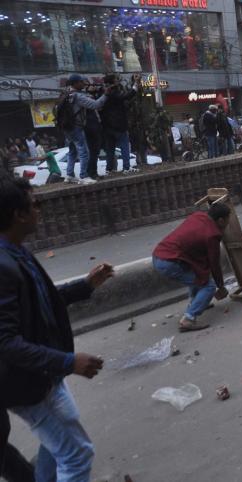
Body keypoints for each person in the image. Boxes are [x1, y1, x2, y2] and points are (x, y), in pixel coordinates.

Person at [0, 176, 114, 482]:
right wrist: (69, 362)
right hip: (25, 382)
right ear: (18, 214)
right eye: (36, 203)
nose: (40, 209)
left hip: (44, 374)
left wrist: (85, 286)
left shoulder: (16, 251)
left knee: (60, 443)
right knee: (77, 455)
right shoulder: (3, 265)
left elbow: (41, 303)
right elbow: (6, 343)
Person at [151, 204, 231, 332]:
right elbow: (214, 264)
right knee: (208, 286)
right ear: (221, 220)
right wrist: (220, 286)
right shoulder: (212, 235)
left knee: (198, 276)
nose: (229, 222)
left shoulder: (198, 216)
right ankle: (188, 319)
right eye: (228, 218)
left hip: (159, 255)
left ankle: (197, 303)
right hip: (170, 262)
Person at [59, 74, 110, 185]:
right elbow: (95, 105)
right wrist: (105, 94)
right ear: (75, 83)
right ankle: (83, 176)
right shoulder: (77, 96)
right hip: (76, 126)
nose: (84, 83)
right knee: (84, 151)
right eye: (81, 82)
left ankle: (69, 175)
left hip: (65, 127)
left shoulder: (65, 94)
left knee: (72, 151)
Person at [101, 73, 137, 174]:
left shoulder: (102, 93)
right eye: (116, 79)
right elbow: (127, 96)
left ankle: (109, 169)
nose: (118, 81)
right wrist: (135, 85)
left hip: (107, 126)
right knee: (124, 146)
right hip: (119, 125)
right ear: (113, 82)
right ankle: (126, 167)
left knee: (110, 149)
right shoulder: (113, 92)